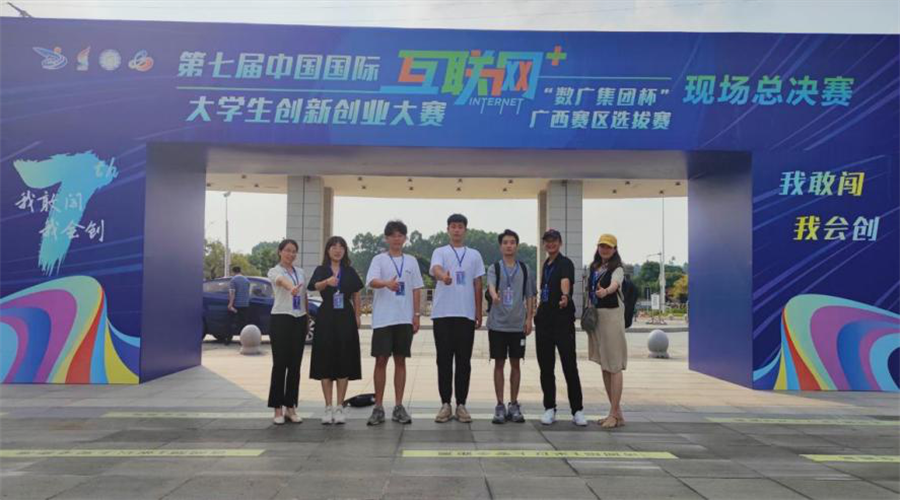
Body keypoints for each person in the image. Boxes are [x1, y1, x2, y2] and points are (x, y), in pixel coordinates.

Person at [365, 220, 424, 426]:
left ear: (405, 238)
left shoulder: (411, 261)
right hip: (383, 319)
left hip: (404, 319)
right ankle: (378, 407)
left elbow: (416, 288)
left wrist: (416, 315)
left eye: (400, 235)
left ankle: (399, 406)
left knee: (401, 361)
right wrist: (386, 284)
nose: (397, 239)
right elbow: (371, 281)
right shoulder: (379, 259)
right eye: (393, 235)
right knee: (381, 361)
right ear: (386, 238)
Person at [429, 213, 485, 423]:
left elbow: (478, 283)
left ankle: (461, 404)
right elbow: (436, 269)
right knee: (443, 360)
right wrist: (443, 276)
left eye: (460, 226)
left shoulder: (474, 255)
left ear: (465, 230)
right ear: (448, 230)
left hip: (465, 315)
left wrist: (478, 311)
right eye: (453, 226)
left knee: (463, 361)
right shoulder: (440, 251)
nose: (456, 230)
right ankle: (445, 404)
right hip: (443, 315)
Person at [534, 229, 587, 426]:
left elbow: (565, 282)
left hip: (562, 321)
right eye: (547, 241)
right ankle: (549, 407)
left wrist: (565, 296)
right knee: (546, 367)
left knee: (569, 366)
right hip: (544, 322)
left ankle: (577, 410)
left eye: (554, 240)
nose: (550, 244)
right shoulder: (545, 264)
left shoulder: (565, 263)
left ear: (560, 242)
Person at [308, 236, 364, 425]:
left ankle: (340, 406)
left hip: (345, 316)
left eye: (341, 247)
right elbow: (313, 286)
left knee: (344, 358)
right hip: (326, 316)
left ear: (345, 251)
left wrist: (357, 315)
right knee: (325, 359)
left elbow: (356, 294)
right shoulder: (321, 269)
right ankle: (328, 406)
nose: (337, 250)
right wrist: (327, 282)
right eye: (334, 247)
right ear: (328, 250)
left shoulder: (349, 271)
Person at [486, 229, 536, 424]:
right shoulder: (494, 268)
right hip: (497, 324)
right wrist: (494, 295)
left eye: (512, 242)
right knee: (499, 363)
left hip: (517, 325)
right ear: (500, 246)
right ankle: (500, 404)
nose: (509, 245)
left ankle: (514, 403)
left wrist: (529, 319)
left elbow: (530, 295)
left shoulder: (524, 269)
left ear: (517, 246)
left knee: (516, 364)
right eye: (505, 242)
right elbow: (490, 285)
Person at [265, 239, 308, 425]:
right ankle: (277, 408)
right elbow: (281, 282)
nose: (291, 254)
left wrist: (306, 318)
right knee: (280, 364)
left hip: (299, 319)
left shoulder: (300, 272)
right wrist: (292, 288)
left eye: (294, 251)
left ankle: (291, 407)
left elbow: (304, 296)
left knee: (295, 365)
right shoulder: (274, 271)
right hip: (281, 319)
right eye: (288, 250)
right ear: (280, 252)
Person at [587, 234, 628, 428]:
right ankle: (616, 413)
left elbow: (615, 283)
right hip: (598, 318)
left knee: (614, 365)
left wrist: (606, 291)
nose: (604, 249)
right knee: (604, 364)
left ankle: (614, 413)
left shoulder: (617, 268)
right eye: (602, 246)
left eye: (608, 247)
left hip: (612, 317)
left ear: (615, 249)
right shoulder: (594, 267)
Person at [227, 265, 251, 346]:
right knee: (243, 324)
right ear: (240, 271)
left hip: (236, 305)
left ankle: (228, 339)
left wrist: (230, 304)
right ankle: (243, 341)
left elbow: (232, 293)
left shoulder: (233, 280)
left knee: (230, 322)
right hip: (245, 304)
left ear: (233, 272)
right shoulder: (247, 280)